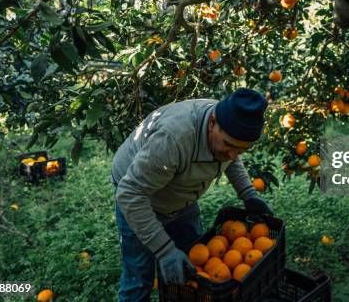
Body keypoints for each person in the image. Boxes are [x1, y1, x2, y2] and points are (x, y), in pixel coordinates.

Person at [111, 88, 273, 302]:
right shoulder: (174, 138)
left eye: (241, 150)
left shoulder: (228, 124)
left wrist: (248, 194)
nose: (233, 155)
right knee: (139, 279)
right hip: (139, 196)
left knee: (195, 269)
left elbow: (232, 156)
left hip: (182, 198)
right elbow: (130, 193)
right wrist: (165, 250)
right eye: (228, 145)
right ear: (212, 122)